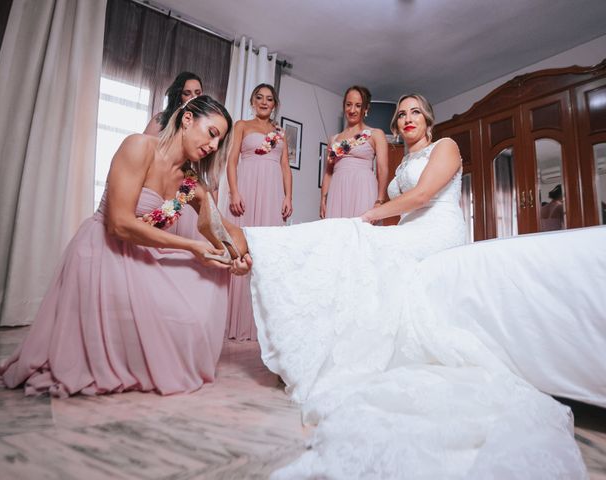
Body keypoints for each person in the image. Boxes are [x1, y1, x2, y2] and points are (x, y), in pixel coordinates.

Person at [244, 94, 586, 478]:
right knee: (354, 248)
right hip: (409, 231)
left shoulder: (446, 147)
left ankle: (254, 245)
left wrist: (373, 214)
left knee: (350, 235)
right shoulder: (405, 159)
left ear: (428, 118)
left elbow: (423, 196)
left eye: (414, 112)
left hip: (437, 231)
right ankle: (308, 330)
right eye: (401, 114)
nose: (407, 118)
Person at [0, 96, 252, 397]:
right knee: (193, 263)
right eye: (212, 133)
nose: (213, 146)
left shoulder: (191, 184)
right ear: (187, 120)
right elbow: (118, 224)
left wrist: (241, 257)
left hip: (141, 255)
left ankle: (154, 355)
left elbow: (227, 231)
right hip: (102, 249)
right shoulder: (139, 147)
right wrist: (191, 247)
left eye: (219, 142)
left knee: (208, 275)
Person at [225, 83, 293, 340]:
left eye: (269, 99)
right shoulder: (241, 125)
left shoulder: (280, 133)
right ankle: (236, 321)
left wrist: (288, 196)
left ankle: (263, 326)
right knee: (242, 249)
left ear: (274, 104)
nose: (264, 102)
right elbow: (231, 162)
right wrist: (234, 192)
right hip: (248, 191)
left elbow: (285, 167)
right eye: (259, 98)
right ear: (253, 101)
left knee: (269, 255)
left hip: (273, 194)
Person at [143, 72, 204, 241]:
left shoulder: (203, 127)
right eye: (187, 93)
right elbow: (145, 154)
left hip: (185, 192)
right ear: (179, 95)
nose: (193, 97)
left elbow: (203, 166)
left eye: (198, 93)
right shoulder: (161, 119)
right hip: (158, 188)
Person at [320, 85, 388, 219]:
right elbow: (328, 172)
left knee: (361, 233)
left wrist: (380, 200)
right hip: (337, 189)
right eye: (348, 104)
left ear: (366, 109)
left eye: (358, 105)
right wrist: (322, 199)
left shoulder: (376, 134)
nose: (352, 110)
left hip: (363, 188)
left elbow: (382, 169)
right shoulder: (333, 139)